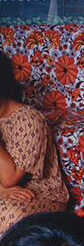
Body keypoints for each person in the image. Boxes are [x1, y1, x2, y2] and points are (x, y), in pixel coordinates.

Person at [0, 52, 69, 235]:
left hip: (40, 195)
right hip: (4, 192)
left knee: (8, 214)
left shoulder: (28, 119)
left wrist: (2, 190)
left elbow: (9, 179)